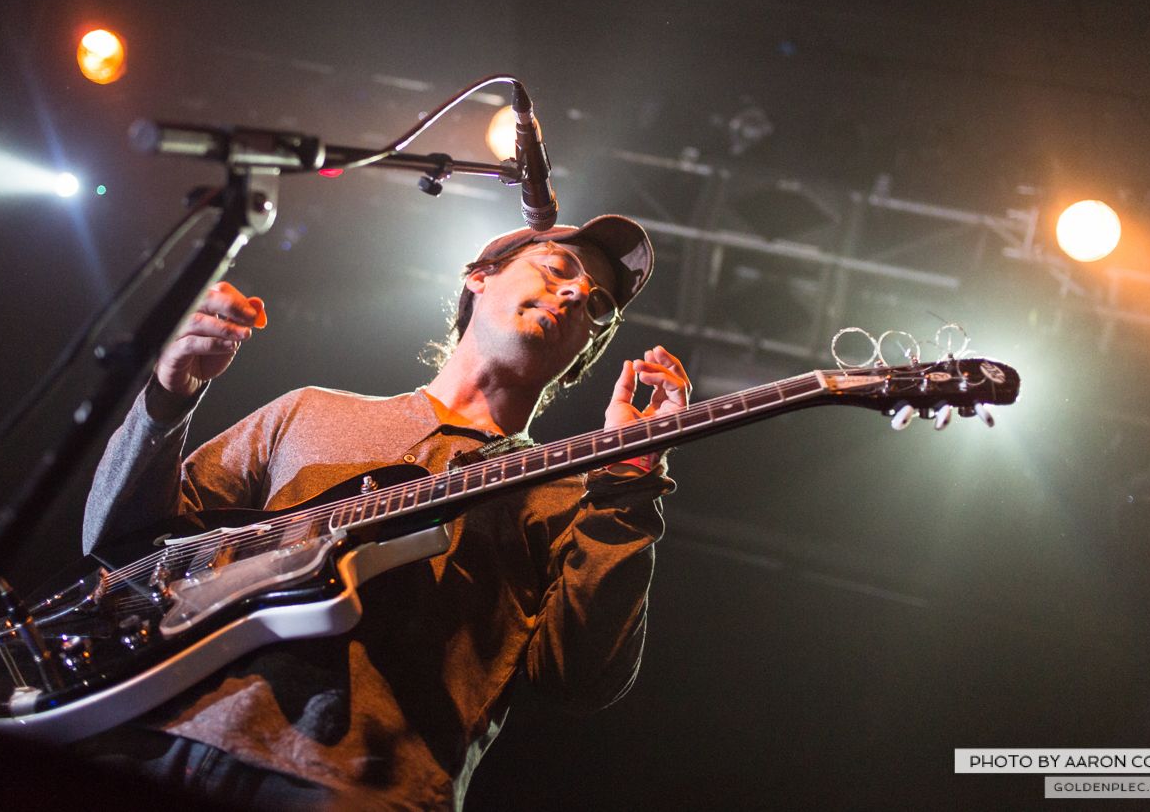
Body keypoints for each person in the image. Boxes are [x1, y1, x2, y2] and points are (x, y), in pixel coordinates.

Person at [79, 215, 691, 810]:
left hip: (359, 791)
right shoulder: (308, 411)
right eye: (558, 267)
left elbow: (578, 679)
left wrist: (629, 486)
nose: (578, 292)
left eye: (599, 304)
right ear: (479, 276)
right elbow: (123, 548)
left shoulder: (568, 499)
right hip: (156, 737)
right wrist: (166, 399)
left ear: (586, 352)